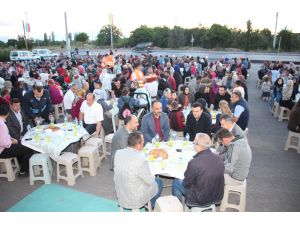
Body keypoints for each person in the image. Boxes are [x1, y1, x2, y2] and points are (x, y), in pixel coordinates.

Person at [172, 133, 224, 206]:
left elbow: (187, 183)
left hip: (200, 199)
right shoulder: (219, 158)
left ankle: (177, 206)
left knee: (176, 182)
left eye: (194, 143)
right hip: (217, 197)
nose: (193, 145)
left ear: (198, 146)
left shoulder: (194, 163)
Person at [114, 131, 163, 209]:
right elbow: (149, 181)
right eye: (142, 142)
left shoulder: (118, 153)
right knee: (158, 182)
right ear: (137, 145)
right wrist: (153, 175)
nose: (144, 143)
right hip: (134, 199)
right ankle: (152, 206)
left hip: (121, 193)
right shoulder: (141, 159)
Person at [0, 97, 34, 176]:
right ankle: (23, 171)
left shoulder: (2, 122)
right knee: (29, 148)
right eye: (15, 106)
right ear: (9, 108)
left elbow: (25, 121)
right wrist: (13, 141)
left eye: (19, 106)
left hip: (6, 145)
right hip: (3, 150)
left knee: (23, 145)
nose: (17, 108)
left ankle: (22, 165)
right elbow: (5, 143)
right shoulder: (2, 124)